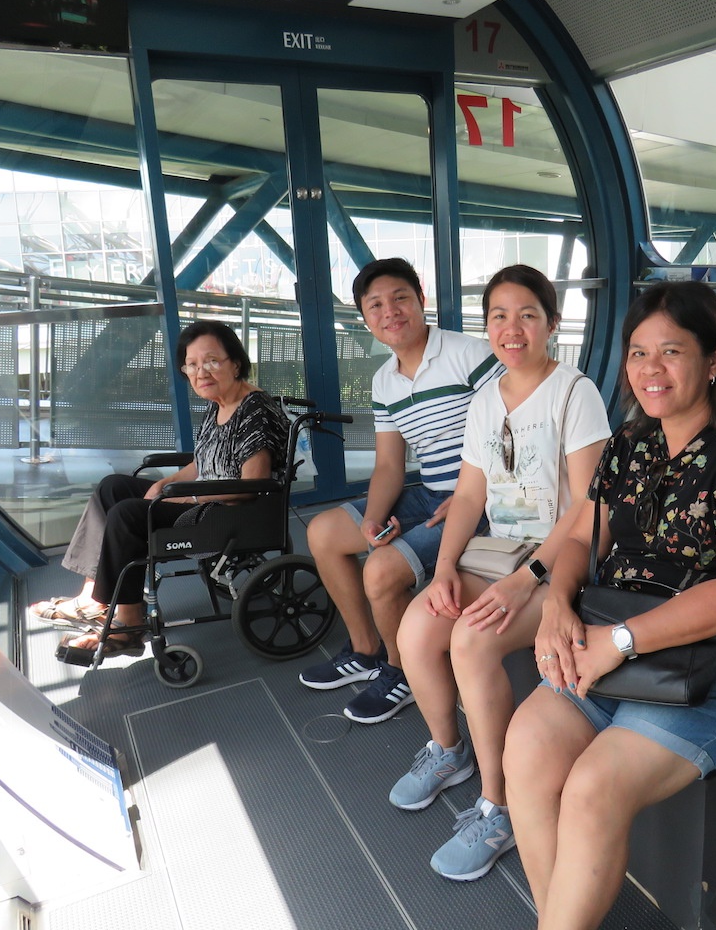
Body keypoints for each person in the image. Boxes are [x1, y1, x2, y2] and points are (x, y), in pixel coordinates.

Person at [503, 280, 716, 930]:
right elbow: (581, 535)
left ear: (715, 358)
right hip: (613, 644)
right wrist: (556, 603)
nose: (649, 370)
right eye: (638, 353)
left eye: (671, 351)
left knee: (591, 789)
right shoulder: (630, 446)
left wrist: (621, 642)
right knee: (525, 745)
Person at [391, 264, 611, 882]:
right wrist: (441, 571)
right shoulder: (487, 397)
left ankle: (500, 804)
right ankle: (448, 751)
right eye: (498, 316)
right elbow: (468, 495)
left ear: (551, 323)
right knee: (417, 631)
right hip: (496, 551)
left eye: (527, 315)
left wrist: (530, 577)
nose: (511, 329)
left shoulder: (575, 393)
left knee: (472, 639)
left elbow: (587, 510)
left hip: (560, 560)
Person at [298, 258, 502, 723]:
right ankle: (367, 651)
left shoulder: (468, 355)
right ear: (365, 318)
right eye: (376, 305)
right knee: (326, 533)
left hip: (481, 502)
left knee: (382, 572)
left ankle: (402, 671)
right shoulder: (384, 380)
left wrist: (479, 494)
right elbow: (390, 465)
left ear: (421, 300)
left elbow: (512, 431)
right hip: (431, 493)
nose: (390, 312)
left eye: (400, 298)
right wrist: (374, 517)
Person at [36, 320, 290, 658]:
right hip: (205, 500)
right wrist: (167, 482)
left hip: (227, 514)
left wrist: (187, 495)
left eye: (212, 361)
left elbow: (249, 487)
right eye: (192, 364)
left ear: (236, 363)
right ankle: (95, 598)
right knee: (113, 489)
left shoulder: (254, 411)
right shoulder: (219, 402)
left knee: (128, 515)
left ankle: (128, 624)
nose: (201, 371)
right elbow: (204, 462)